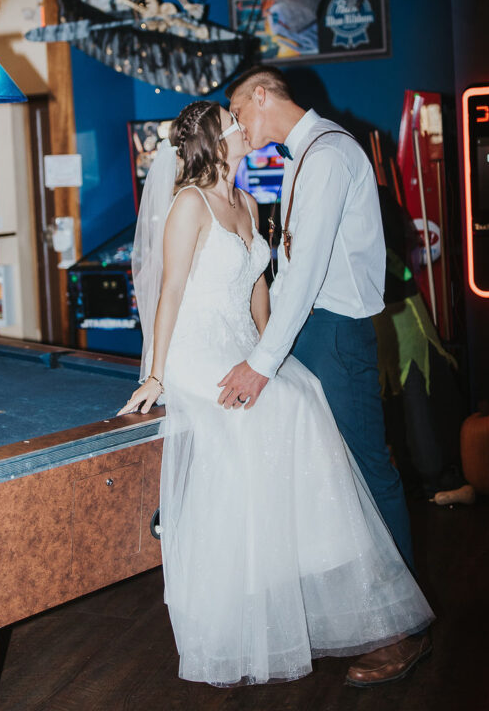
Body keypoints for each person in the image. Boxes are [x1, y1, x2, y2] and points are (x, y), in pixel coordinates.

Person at [119, 97, 432, 688]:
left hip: (242, 340)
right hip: (198, 348)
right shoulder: (189, 204)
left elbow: (261, 286)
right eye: (231, 123)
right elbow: (169, 292)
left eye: (239, 117)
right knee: (266, 414)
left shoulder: (250, 200)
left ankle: (307, 579)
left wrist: (272, 354)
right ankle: (243, 600)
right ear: (213, 140)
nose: (240, 127)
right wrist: (157, 374)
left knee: (301, 395)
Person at [219, 65, 431, 685]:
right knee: (331, 478)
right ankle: (362, 614)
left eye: (239, 110)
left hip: (336, 332)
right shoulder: (308, 153)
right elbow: (294, 267)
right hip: (315, 333)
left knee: (367, 470)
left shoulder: (331, 153)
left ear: (263, 94)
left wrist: (260, 366)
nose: (237, 125)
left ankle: (404, 629)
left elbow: (307, 271)